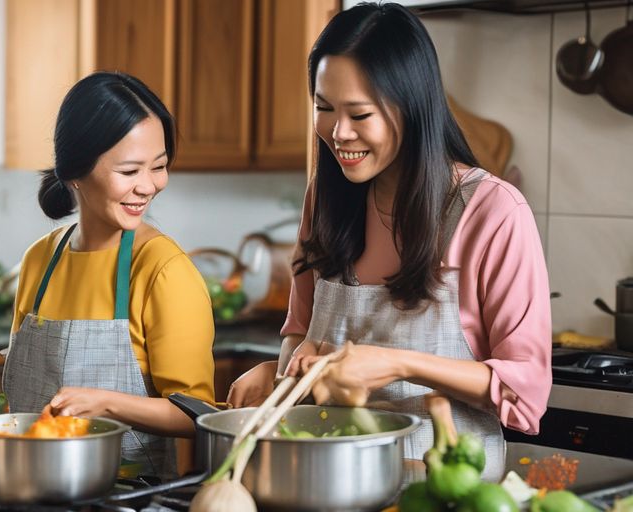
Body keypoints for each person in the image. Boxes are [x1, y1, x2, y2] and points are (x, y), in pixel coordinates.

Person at [226, 2, 551, 480]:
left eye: (360, 113)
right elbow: (301, 332)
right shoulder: (326, 198)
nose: (338, 133)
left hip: (445, 487)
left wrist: (398, 364)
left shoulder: (493, 212)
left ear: (411, 106)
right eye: (323, 108)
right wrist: (281, 379)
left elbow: (526, 395)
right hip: (329, 481)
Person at [2, 71, 215, 478]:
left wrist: (108, 403)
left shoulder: (163, 270)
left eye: (159, 166)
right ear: (75, 174)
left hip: (125, 499)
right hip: (25, 490)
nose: (149, 186)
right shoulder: (39, 262)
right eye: (130, 171)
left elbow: (198, 416)